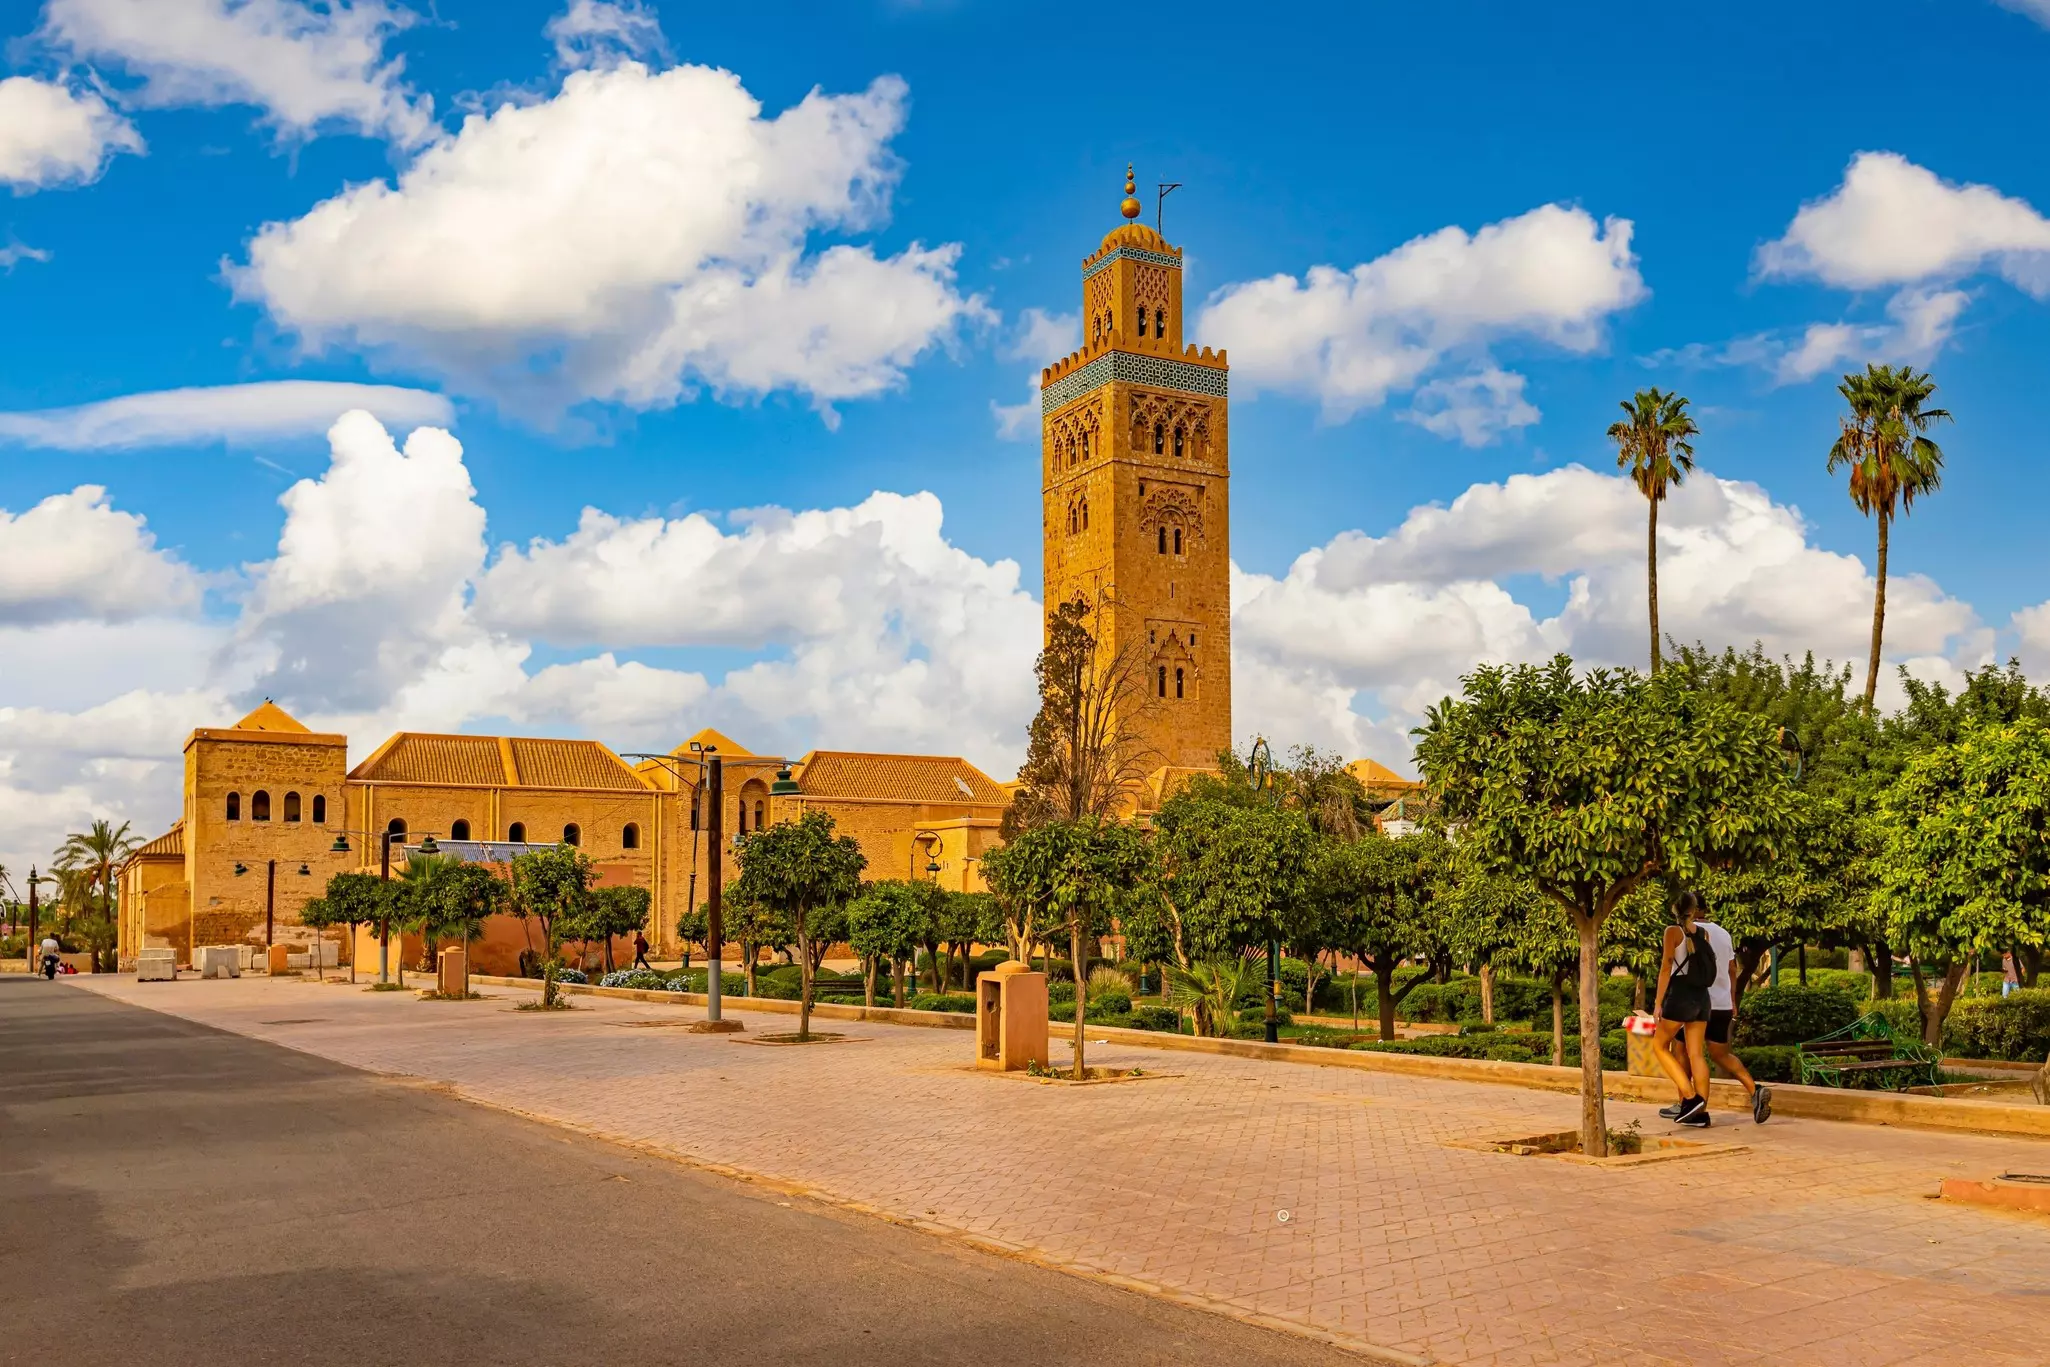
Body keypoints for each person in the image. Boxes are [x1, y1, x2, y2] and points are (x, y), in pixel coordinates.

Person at [1662, 911, 1771, 1124]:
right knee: (1721, 1054)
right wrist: (1732, 1001)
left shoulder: (1686, 932)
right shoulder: (1723, 933)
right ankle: (1754, 1089)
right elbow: (1732, 968)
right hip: (1721, 1004)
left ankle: (1688, 1103)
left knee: (1682, 1050)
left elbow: (1671, 966)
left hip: (1695, 1002)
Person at [1650, 891, 1716, 1127]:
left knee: (1659, 1046)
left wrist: (1658, 1002)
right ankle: (1701, 1113)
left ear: (1674, 908)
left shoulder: (1672, 932)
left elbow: (1666, 966)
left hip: (1680, 996)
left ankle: (1689, 1098)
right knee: (1696, 1053)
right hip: (1702, 997)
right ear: (1694, 908)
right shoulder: (1703, 933)